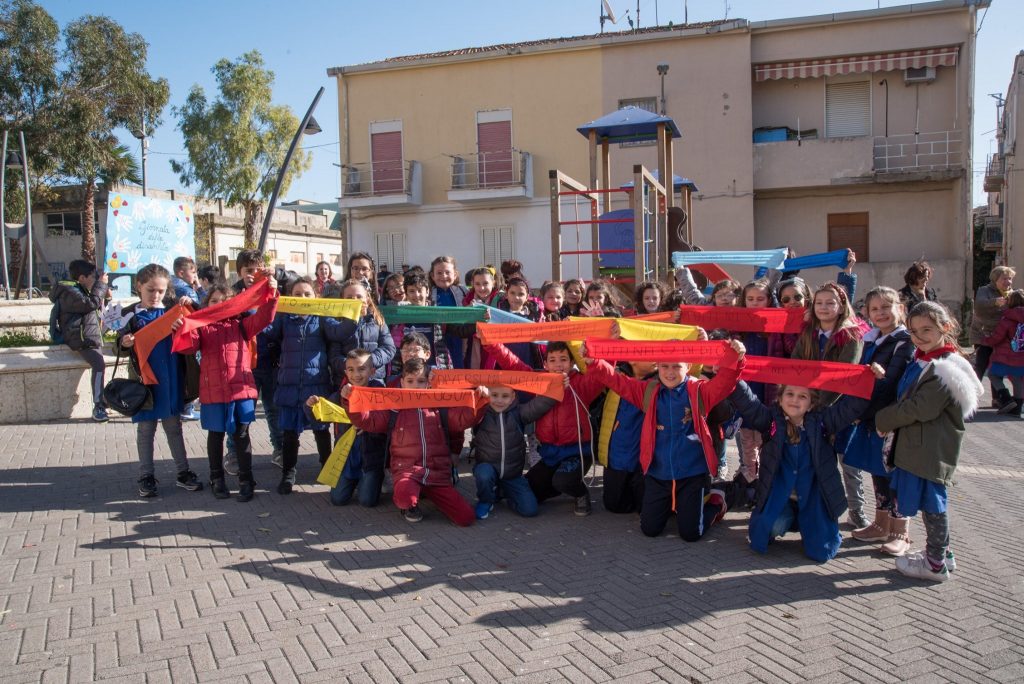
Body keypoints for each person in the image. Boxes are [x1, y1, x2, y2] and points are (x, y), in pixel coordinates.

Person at [585, 340, 746, 541]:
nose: (670, 372)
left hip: (692, 475)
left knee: (691, 534)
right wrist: (594, 362)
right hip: (657, 475)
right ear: (657, 366)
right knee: (650, 530)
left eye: (677, 366)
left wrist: (736, 358)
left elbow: (725, 383)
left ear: (688, 366)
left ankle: (719, 499)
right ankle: (679, 507)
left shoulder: (699, 392)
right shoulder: (648, 391)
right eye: (665, 366)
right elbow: (617, 382)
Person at [876, 301, 984, 581]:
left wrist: (883, 419)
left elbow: (920, 407)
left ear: (945, 328)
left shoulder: (945, 368)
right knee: (931, 504)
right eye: (913, 331)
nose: (919, 336)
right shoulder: (925, 359)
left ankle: (934, 563)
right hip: (920, 446)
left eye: (927, 329)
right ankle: (942, 554)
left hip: (929, 449)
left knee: (934, 505)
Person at [728, 382, 869, 562]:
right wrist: (735, 372)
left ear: (811, 404)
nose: (795, 400)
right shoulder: (771, 420)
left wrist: (871, 379)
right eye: (790, 394)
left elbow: (850, 407)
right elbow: (748, 402)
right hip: (782, 498)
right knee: (772, 528)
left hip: (814, 499)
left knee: (821, 552)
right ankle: (788, 521)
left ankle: (809, 526)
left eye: (802, 396)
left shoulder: (823, 421)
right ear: (779, 399)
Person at [345, 359, 482, 525]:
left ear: (428, 384)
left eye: (421, 381)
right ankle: (409, 504)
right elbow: (368, 421)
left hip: (436, 473)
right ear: (402, 383)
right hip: (407, 471)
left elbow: (463, 420)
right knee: (405, 498)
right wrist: (350, 400)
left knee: (466, 518)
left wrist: (481, 401)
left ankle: (426, 493)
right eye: (410, 381)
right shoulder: (393, 409)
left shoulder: (440, 407)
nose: (415, 385)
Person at [176, 279, 279, 501]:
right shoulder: (202, 327)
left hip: (240, 391)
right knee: (216, 436)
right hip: (213, 393)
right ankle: (217, 479)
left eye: (225, 301)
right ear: (206, 305)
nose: (220, 305)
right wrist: (182, 327)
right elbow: (187, 346)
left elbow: (265, 317)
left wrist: (271, 292)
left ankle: (246, 479)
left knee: (242, 435)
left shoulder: (242, 325)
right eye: (214, 301)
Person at [485, 341, 607, 516]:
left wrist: (597, 355)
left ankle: (580, 494)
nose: (558, 364)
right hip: (550, 454)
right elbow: (512, 363)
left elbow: (604, 374)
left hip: (578, 453)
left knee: (563, 480)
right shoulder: (538, 381)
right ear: (545, 364)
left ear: (572, 363)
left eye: (563, 359)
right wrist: (491, 343)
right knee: (530, 492)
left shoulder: (581, 383)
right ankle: (555, 486)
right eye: (552, 360)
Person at [116, 263, 203, 498]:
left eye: (161, 291)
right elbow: (119, 345)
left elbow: (196, 331)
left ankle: (183, 472)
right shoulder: (130, 314)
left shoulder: (172, 312)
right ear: (139, 287)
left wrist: (188, 310)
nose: (156, 296)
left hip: (172, 381)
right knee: (146, 430)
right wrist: (124, 343)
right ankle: (146, 476)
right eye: (150, 290)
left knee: (174, 428)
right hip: (145, 383)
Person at [841, 287, 915, 554]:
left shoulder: (905, 341)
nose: (881, 313)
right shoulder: (871, 339)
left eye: (886, 307)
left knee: (893, 475)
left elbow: (889, 383)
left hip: (891, 419)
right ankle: (881, 524)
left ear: (900, 309)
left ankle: (900, 533)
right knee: (878, 472)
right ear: (867, 313)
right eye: (875, 309)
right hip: (872, 418)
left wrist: (859, 408)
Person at [266, 276, 348, 494]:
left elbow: (339, 332)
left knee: (321, 431)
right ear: (289, 298)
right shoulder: (284, 318)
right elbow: (267, 331)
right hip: (289, 386)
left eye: (306, 294)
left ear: (316, 296)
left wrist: (353, 313)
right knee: (290, 433)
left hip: (316, 385)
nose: (302, 298)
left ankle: (327, 469)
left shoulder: (322, 317)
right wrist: (266, 306)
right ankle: (288, 473)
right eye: (297, 294)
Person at [306, 349, 388, 507]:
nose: (356, 374)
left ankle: (371, 479)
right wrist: (311, 406)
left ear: (372, 371)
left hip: (370, 458)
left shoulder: (379, 394)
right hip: (345, 457)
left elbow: (386, 423)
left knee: (367, 501)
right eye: (351, 370)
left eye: (362, 369)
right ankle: (355, 481)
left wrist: (370, 427)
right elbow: (320, 418)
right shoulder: (339, 395)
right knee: (338, 500)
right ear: (346, 372)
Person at [226, 249, 283, 472]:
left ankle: (279, 449)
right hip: (243, 363)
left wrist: (274, 277)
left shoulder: (271, 289)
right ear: (239, 272)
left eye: (257, 270)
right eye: (248, 271)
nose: (253, 274)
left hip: (270, 361)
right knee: (242, 412)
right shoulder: (233, 295)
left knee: (272, 409)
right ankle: (234, 452)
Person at [471, 385, 558, 519]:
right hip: (488, 468)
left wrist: (557, 387)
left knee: (530, 510)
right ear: (488, 395)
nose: (499, 400)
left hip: (512, 475)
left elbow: (539, 405)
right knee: (484, 474)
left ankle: (503, 492)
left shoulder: (519, 413)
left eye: (505, 396)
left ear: (513, 397)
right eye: (494, 395)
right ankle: (486, 500)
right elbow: (462, 412)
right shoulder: (480, 413)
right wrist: (476, 396)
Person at [50, 259, 109, 422]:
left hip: (86, 335)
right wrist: (101, 286)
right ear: (82, 277)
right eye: (93, 276)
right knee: (99, 364)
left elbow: (95, 307)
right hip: (80, 337)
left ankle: (102, 399)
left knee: (100, 365)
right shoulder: (69, 291)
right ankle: (98, 405)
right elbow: (89, 304)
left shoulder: (79, 289)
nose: (95, 279)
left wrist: (105, 294)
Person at [594, 360, 656, 514]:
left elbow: (687, 370)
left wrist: (699, 341)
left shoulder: (663, 379)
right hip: (618, 455)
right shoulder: (615, 376)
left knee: (647, 509)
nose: (655, 357)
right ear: (632, 358)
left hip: (647, 460)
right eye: (649, 353)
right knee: (615, 506)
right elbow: (592, 366)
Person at [327, 279, 396, 383]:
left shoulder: (377, 320)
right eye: (349, 297)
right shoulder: (337, 323)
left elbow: (388, 348)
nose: (355, 300)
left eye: (359, 297)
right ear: (342, 300)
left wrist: (368, 362)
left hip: (374, 379)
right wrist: (351, 366)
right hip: (345, 381)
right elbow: (333, 355)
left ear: (367, 300)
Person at [970, 266, 1016, 412]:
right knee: (980, 367)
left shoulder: (1012, 294)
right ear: (995, 279)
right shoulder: (985, 290)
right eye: (1004, 278)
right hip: (983, 335)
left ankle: (997, 399)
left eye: (1010, 279)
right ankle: (970, 397)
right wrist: (996, 302)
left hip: (1001, 337)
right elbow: (979, 306)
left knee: (997, 368)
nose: (1008, 282)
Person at [980, 289, 1024, 418]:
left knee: (993, 375)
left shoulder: (1007, 318)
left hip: (1005, 356)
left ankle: (1006, 399)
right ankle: (1017, 408)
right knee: (1018, 380)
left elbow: (997, 338)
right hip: (1022, 357)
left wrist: (985, 340)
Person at [428, 255, 469, 368]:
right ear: (432, 275)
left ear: (455, 274)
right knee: (440, 366)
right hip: (437, 336)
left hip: (460, 336)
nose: (443, 276)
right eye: (439, 273)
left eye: (447, 272)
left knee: (458, 365)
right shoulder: (428, 293)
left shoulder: (464, 291)